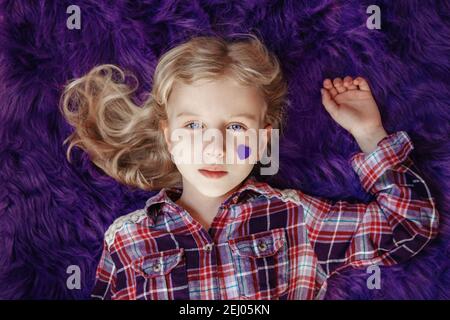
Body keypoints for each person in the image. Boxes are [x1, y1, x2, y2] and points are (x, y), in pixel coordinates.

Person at [60, 34, 439, 300]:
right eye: (193, 126)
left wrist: (369, 134)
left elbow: (409, 225)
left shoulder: (296, 219)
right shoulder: (127, 240)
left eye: (237, 127)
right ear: (169, 136)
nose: (216, 147)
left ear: (262, 141)